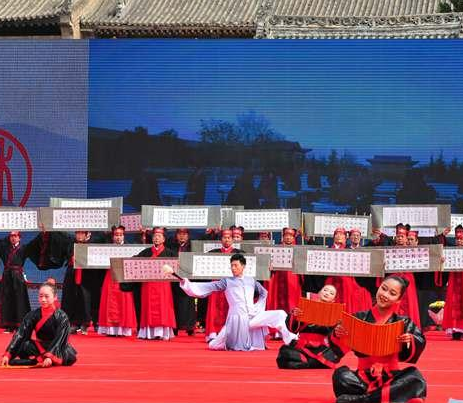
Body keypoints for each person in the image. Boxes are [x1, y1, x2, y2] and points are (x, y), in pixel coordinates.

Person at [331, 275, 426, 403]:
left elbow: (419, 340)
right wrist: (338, 334)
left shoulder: (403, 322)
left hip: (392, 376)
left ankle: (364, 399)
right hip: (362, 377)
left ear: (398, 299)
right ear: (378, 287)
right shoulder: (358, 317)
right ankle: (384, 397)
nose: (385, 295)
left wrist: (410, 340)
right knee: (341, 376)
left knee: (416, 378)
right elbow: (337, 349)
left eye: (392, 293)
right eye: (384, 289)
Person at [175, 253, 297, 351]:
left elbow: (264, 293)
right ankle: (220, 340)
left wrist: (258, 307)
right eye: (232, 265)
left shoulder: (251, 281)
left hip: (252, 317)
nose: (233, 268)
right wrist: (187, 284)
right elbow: (208, 286)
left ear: (243, 266)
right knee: (215, 345)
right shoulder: (226, 282)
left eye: (236, 265)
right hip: (236, 320)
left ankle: (291, 339)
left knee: (280, 314)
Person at [1, 282, 77, 367]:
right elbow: (20, 334)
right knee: (24, 345)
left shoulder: (62, 316)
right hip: (39, 347)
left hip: (58, 347)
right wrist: (8, 354)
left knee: (70, 356)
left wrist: (50, 356)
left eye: (46, 296)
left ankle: (39, 360)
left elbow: (60, 339)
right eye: (41, 296)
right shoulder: (32, 315)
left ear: (55, 297)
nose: (43, 299)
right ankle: (40, 359)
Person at [276, 285, 345, 369]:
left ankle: (306, 362)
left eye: (331, 293)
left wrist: (338, 327)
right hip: (302, 346)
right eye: (325, 290)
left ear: (333, 300)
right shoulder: (305, 306)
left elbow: (336, 338)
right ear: (319, 292)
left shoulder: (335, 314)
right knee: (285, 352)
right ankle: (310, 363)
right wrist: (295, 316)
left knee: (333, 353)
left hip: (322, 349)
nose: (327, 293)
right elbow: (292, 329)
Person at [135, 227, 176, 340]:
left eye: (159, 236)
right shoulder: (146, 252)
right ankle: (148, 333)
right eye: (154, 236)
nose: (156, 238)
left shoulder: (170, 253)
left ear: (164, 239)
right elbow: (135, 261)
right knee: (148, 306)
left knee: (163, 307)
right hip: (148, 285)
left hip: (163, 286)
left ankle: (162, 333)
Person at [205, 229, 244, 341]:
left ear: (232, 239)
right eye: (224, 237)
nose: (227, 240)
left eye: (229, 238)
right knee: (214, 308)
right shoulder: (213, 253)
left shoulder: (239, 253)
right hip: (217, 285)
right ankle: (213, 334)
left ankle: (232, 334)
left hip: (233, 285)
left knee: (232, 307)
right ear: (221, 239)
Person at [98, 226, 137, 336]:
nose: (118, 237)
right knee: (109, 300)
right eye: (116, 235)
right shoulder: (107, 248)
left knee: (124, 300)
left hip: (124, 276)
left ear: (124, 235)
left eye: (120, 235)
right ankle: (110, 330)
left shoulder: (130, 248)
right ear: (113, 236)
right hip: (110, 276)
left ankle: (123, 329)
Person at [325, 228, 372, 314]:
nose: (339, 236)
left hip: (349, 279)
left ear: (345, 238)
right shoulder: (329, 249)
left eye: (342, 234)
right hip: (332, 279)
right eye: (337, 234)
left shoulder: (354, 250)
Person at [167, 228, 195, 336]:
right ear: (176, 235)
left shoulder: (192, 247)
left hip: (188, 277)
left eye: (184, 234)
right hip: (174, 278)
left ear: (188, 236)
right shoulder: (171, 246)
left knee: (189, 302)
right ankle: (175, 326)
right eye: (180, 234)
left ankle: (189, 327)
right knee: (175, 302)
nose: (182, 236)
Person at [443, 225, 463, 340]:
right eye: (458, 239)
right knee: (453, 303)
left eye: (461, 239)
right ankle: (455, 330)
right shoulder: (452, 251)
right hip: (454, 279)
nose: (459, 241)